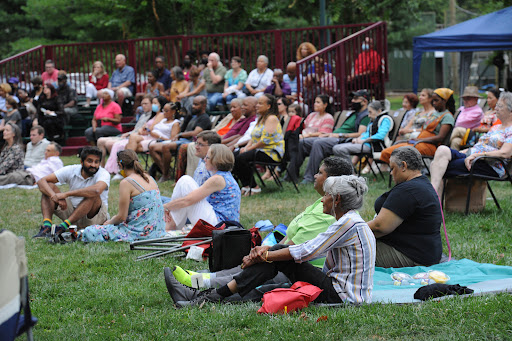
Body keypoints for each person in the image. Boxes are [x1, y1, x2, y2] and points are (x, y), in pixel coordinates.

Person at [167, 175, 375, 307]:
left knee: (271, 264)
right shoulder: (347, 220)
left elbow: (305, 252)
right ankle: (204, 293)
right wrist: (266, 252)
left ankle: (206, 295)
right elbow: (299, 248)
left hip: (342, 296)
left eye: (327, 195)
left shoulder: (346, 223)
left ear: (337, 199)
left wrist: (264, 254)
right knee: (272, 258)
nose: (322, 198)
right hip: (340, 289)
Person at [368, 147, 442, 267]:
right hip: (426, 253)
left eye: (392, 168)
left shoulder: (408, 190)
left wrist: (352, 229)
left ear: (403, 166)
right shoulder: (422, 184)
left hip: (412, 255)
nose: (391, 173)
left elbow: (380, 227)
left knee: (350, 253)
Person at [430, 91, 512, 196]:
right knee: (442, 150)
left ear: (511, 110)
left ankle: (433, 200)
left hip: (489, 164)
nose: (496, 108)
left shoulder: (510, 130)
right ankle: (434, 200)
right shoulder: (495, 127)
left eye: (500, 106)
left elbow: (505, 153)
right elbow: (478, 147)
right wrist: (463, 153)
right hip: (472, 157)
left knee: (436, 166)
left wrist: (476, 155)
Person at [81, 150, 165, 242]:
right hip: (157, 232)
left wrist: (110, 222)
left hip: (140, 233)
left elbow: (121, 217)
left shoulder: (127, 182)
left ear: (120, 165)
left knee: (89, 231)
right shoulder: (149, 177)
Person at [33, 146, 110, 238]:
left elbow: (96, 190)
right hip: (72, 212)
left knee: (93, 194)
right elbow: (41, 181)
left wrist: (65, 194)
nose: (93, 165)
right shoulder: (72, 169)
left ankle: (63, 226)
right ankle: (47, 227)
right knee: (48, 187)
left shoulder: (103, 173)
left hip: (94, 218)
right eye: (90, 161)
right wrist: (54, 196)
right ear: (81, 162)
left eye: (96, 162)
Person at [164, 144, 241, 231]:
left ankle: (169, 227)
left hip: (219, 225)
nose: (204, 160)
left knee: (185, 181)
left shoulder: (218, 179)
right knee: (184, 187)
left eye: (207, 158)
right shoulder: (224, 176)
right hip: (221, 223)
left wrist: (166, 207)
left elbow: (188, 200)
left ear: (216, 160)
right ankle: (170, 226)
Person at [379, 87, 455, 164]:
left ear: (444, 101)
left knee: (394, 153)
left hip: (430, 146)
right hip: (419, 143)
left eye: (436, 100)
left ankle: (403, 173)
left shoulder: (447, 116)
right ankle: (399, 173)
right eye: (433, 100)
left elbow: (440, 138)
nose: (434, 103)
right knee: (386, 152)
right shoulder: (434, 114)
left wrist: (419, 140)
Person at [149, 96, 211, 182]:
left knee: (165, 147)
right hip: (181, 140)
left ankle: (165, 175)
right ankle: (166, 171)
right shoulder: (192, 116)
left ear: (204, 106)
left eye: (196, 104)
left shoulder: (204, 118)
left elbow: (195, 133)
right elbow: (182, 129)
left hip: (191, 142)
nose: (193, 106)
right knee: (152, 147)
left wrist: (180, 135)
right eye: (193, 104)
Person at [232, 94, 284, 195]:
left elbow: (265, 141)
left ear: (268, 106)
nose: (257, 106)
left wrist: (248, 149)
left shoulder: (271, 118)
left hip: (271, 152)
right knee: (234, 156)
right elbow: (253, 137)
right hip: (259, 150)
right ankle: (246, 185)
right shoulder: (261, 118)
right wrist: (246, 147)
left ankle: (254, 187)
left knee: (241, 158)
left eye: (260, 103)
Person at [288, 93, 339, 183]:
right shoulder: (312, 115)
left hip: (317, 139)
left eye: (318, 102)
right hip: (304, 139)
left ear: (325, 105)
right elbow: (304, 127)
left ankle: (309, 177)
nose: (315, 104)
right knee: (299, 143)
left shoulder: (328, 117)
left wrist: (307, 135)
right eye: (315, 102)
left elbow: (324, 133)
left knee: (309, 143)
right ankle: (291, 174)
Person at [98, 94, 155, 168]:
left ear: (152, 104)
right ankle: (101, 166)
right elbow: (136, 129)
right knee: (100, 140)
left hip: (136, 137)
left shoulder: (152, 117)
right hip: (131, 134)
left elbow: (141, 131)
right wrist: (128, 133)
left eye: (146, 104)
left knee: (109, 143)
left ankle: (116, 167)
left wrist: (128, 134)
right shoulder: (143, 115)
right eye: (142, 104)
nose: (143, 106)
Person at [333, 100, 392, 166]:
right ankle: (345, 171)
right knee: (336, 148)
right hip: (365, 144)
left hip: (373, 146)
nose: (369, 116)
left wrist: (364, 140)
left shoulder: (385, 119)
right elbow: (367, 133)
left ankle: (349, 172)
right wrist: (358, 139)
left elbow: (381, 135)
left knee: (341, 149)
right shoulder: (374, 120)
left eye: (370, 112)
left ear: (379, 111)